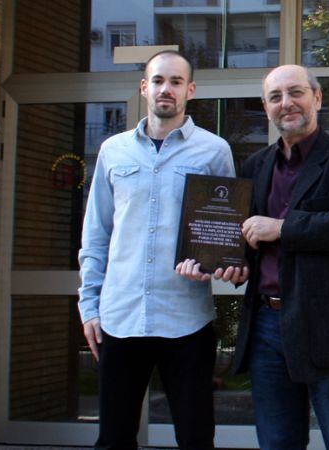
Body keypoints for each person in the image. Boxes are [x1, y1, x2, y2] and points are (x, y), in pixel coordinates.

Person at [182, 64, 329, 450]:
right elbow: (245, 246)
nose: (286, 103)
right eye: (275, 97)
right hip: (267, 328)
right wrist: (221, 263)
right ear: (266, 107)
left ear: (317, 98)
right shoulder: (255, 167)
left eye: (296, 92)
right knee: (277, 443)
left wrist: (282, 228)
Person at [78, 50, 241, 450]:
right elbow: (96, 233)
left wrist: (214, 265)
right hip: (120, 317)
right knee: (114, 437)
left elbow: (225, 231)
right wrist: (89, 306)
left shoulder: (214, 151)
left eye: (176, 81)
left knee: (196, 436)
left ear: (191, 90)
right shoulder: (114, 151)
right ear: (144, 87)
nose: (166, 89)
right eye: (158, 80)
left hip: (185, 319)